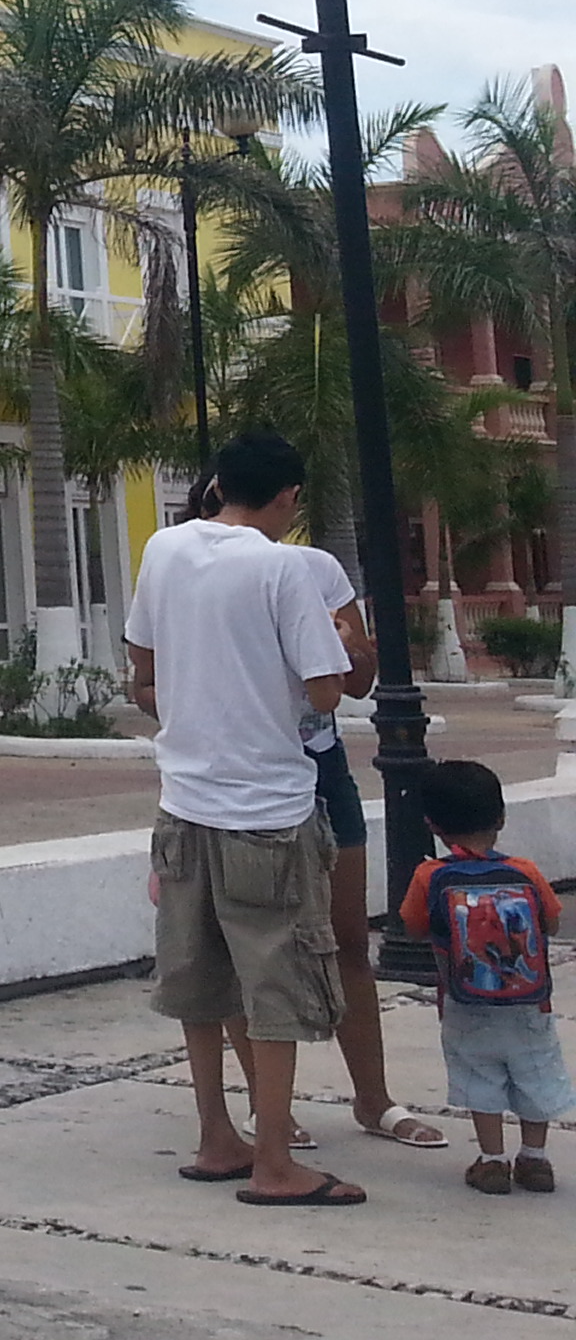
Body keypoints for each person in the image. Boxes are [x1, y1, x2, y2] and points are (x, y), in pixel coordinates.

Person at [124, 431, 360, 1205]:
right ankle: (276, 1161)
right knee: (275, 986)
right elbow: (326, 690)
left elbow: (143, 669)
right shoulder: (283, 567)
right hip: (267, 806)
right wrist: (338, 640)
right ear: (289, 497)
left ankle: (216, 1136)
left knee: (198, 978)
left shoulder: (162, 548)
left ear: (218, 484)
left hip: (183, 800)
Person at [196, 475, 449, 1154]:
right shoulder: (192, 572)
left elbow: (358, 681)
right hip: (242, 772)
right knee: (250, 948)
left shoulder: (313, 567)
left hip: (319, 766)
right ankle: (269, 1107)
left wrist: (343, 643)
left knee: (346, 939)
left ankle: (375, 1099)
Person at [400, 757, 572, 1195]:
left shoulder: (430, 875)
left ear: (432, 824)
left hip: (464, 1002)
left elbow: (414, 926)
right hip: (530, 1002)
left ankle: (492, 1161)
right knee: (534, 1072)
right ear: (501, 818)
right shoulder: (526, 871)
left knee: (480, 1075)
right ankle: (534, 1158)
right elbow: (552, 922)